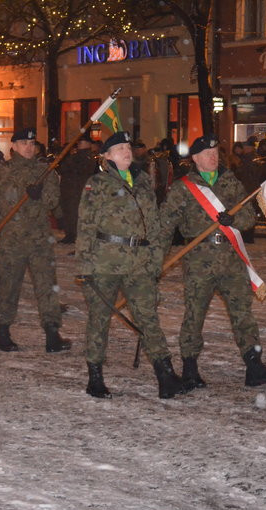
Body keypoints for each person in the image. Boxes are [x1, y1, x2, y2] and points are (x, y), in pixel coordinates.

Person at [159, 135, 266, 389]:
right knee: (195, 313)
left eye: (216, 152)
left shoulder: (230, 181)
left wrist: (233, 220)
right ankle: (190, 369)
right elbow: (164, 226)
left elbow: (248, 217)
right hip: (199, 259)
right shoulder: (183, 187)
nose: (213, 156)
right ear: (195, 158)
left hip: (230, 258)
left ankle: (254, 366)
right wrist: (155, 261)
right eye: (207, 153)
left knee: (242, 312)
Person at [76, 131, 183, 399]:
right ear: (106, 156)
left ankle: (166, 375)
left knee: (148, 317)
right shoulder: (97, 183)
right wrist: (85, 267)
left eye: (127, 147)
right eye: (119, 148)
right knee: (99, 319)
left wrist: (156, 259)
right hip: (105, 261)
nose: (126, 151)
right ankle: (95, 378)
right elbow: (86, 225)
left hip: (139, 262)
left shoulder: (143, 181)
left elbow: (153, 225)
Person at [0, 127, 70, 353]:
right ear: (14, 146)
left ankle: (52, 334)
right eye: (23, 143)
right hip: (11, 239)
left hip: (39, 239)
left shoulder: (45, 171)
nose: (28, 147)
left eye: (32, 143)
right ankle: (3, 333)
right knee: (8, 286)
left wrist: (40, 195)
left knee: (46, 285)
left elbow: (53, 201)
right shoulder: (1, 172)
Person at [57, 131, 97, 244]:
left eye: (81, 142)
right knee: (68, 213)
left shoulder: (88, 157)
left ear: (88, 144)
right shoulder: (74, 156)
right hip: (69, 190)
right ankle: (69, 234)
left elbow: (78, 169)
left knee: (76, 214)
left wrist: (69, 158)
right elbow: (63, 168)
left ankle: (75, 236)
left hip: (78, 190)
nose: (79, 144)